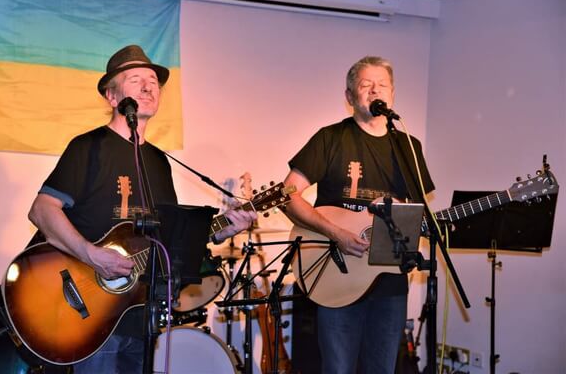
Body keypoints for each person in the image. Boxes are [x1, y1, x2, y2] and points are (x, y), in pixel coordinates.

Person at [27, 45, 257, 373]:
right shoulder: (88, 147)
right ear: (111, 96)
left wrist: (224, 229)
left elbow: (169, 240)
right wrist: (91, 254)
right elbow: (42, 210)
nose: (149, 86)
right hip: (90, 313)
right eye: (135, 80)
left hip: (139, 313)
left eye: (153, 81)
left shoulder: (159, 162)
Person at [283, 56, 435, 374]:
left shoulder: (408, 146)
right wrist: (337, 233)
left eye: (382, 85)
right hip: (338, 276)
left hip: (390, 280)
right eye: (366, 85)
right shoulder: (331, 138)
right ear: (350, 96)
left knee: (382, 369)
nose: (374, 90)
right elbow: (289, 196)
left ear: (392, 94)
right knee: (338, 369)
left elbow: (418, 212)